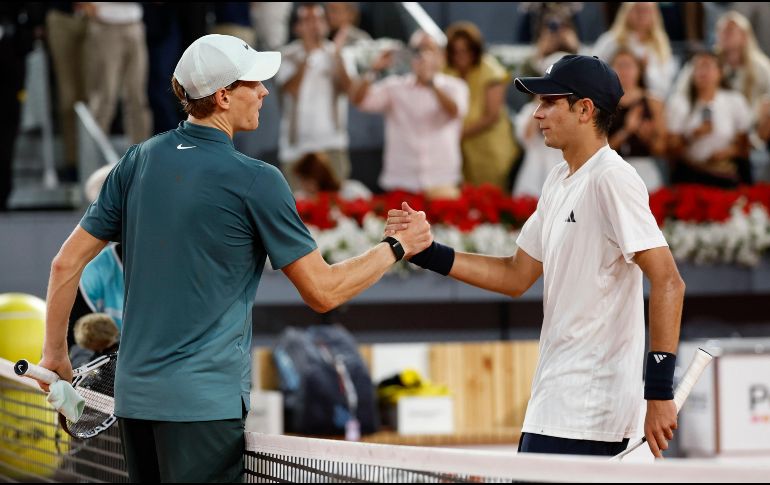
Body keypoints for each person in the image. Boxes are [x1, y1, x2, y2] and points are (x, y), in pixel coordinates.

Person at [34, 34, 431, 482]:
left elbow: (64, 264)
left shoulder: (136, 161)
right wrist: (397, 247)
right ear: (223, 96)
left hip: (134, 403)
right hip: (202, 409)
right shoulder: (257, 180)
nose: (264, 92)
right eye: (254, 83)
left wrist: (55, 354)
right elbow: (324, 292)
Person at [386, 55, 685, 458]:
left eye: (549, 102)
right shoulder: (558, 179)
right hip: (553, 403)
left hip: (590, 412)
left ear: (584, 110)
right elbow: (515, 275)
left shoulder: (612, 178)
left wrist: (660, 391)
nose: (537, 113)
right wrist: (427, 253)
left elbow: (668, 281)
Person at [351, 30, 469, 199]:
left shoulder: (455, 86)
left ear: (441, 56)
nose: (424, 56)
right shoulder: (394, 87)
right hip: (402, 181)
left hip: (442, 181)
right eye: (418, 51)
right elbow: (360, 101)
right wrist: (373, 70)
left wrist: (430, 82)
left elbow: (455, 112)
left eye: (430, 50)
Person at [275, 3, 353, 189]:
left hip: (332, 144)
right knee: (296, 202)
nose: (314, 25)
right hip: (296, 147)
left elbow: (349, 89)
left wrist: (338, 57)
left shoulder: (339, 54)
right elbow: (290, 89)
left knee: (335, 201)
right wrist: (308, 55)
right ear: (297, 27)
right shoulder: (287, 55)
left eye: (319, 19)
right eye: (307, 20)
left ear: (326, 24)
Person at [444, 21, 520, 191]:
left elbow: (492, 116)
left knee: (490, 196)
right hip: (457, 151)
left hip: (488, 147)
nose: (460, 56)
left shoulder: (491, 71)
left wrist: (456, 134)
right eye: (455, 51)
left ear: (475, 50)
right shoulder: (446, 70)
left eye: (465, 50)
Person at [666, 49, 752, 187]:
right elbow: (670, 150)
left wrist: (729, 152)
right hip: (690, 175)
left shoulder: (735, 101)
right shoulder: (679, 103)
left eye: (708, 66)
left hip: (726, 172)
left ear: (720, 72)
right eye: (698, 67)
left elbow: (745, 145)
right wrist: (691, 136)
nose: (703, 72)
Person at [607, 48, 667, 191]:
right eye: (619, 65)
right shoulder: (603, 104)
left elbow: (662, 148)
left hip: (644, 170)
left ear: (639, 70)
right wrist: (627, 130)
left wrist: (648, 137)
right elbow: (596, 150)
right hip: (611, 169)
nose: (624, 71)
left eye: (629, 66)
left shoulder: (654, 103)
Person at [593, 2, 677, 101]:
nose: (642, 14)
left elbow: (664, 87)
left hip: (646, 102)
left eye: (646, 10)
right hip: (612, 98)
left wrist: (646, 69)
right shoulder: (611, 40)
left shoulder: (660, 46)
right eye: (637, 9)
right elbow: (594, 71)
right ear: (627, 12)